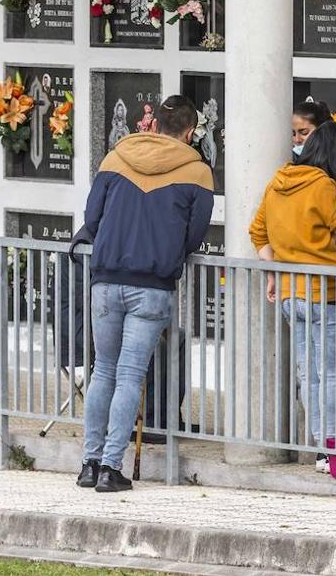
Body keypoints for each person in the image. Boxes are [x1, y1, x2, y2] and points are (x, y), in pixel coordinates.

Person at [75, 95, 214, 493]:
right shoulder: (197, 171)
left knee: (103, 370)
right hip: (152, 285)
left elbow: (92, 218)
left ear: (152, 126)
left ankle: (88, 462)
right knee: (131, 376)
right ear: (190, 132)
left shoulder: (115, 157)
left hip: (105, 278)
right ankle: (110, 468)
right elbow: (194, 235)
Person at [250, 120, 336, 471]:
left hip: (289, 294)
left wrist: (273, 271)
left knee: (309, 376)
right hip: (326, 295)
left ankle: (322, 449)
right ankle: (335, 450)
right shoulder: (325, 188)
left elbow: (258, 232)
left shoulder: (279, 183)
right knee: (333, 375)